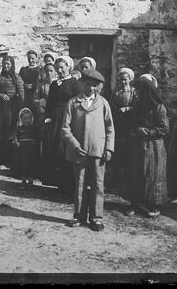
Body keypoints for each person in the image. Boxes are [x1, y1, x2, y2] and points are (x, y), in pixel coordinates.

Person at [62, 68, 114, 231]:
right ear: (82, 83)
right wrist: (75, 145)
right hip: (79, 151)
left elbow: (110, 127)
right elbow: (65, 128)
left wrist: (109, 149)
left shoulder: (103, 103)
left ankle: (96, 217)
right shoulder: (73, 103)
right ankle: (79, 216)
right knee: (80, 184)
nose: (91, 88)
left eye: (95, 86)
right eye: (88, 85)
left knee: (98, 184)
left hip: (98, 150)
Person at [126, 77, 170, 218]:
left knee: (153, 175)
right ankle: (135, 203)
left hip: (154, 146)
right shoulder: (138, 105)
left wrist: (149, 132)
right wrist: (137, 129)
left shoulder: (159, 107)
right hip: (138, 144)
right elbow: (132, 123)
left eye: (139, 90)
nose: (136, 93)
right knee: (136, 173)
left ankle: (154, 206)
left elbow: (164, 128)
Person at [41, 55, 82, 194]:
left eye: (62, 68)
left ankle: (68, 186)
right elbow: (50, 103)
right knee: (53, 148)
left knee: (65, 150)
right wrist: (47, 117)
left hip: (68, 118)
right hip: (54, 119)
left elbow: (78, 103)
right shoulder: (54, 83)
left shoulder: (74, 83)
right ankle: (55, 183)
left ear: (69, 67)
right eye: (57, 68)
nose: (59, 70)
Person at [0, 56, 25, 165]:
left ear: (12, 65)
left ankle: (8, 158)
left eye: (8, 64)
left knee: (9, 131)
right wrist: (0, 95)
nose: (6, 66)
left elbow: (21, 95)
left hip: (11, 109)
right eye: (4, 64)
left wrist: (20, 110)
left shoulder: (16, 78)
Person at [108, 67, 137, 194]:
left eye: (125, 80)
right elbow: (111, 104)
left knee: (127, 149)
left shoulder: (134, 92)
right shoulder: (116, 91)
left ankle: (126, 180)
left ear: (130, 79)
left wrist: (128, 109)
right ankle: (115, 180)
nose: (123, 82)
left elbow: (138, 106)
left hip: (129, 122)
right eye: (121, 80)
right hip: (118, 121)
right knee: (117, 149)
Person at [10, 108, 40, 188]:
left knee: (31, 164)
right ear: (21, 119)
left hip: (31, 149)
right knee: (23, 164)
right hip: (22, 149)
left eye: (29, 118)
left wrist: (36, 142)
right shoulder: (19, 128)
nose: (27, 120)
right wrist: (16, 142)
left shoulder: (34, 128)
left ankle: (30, 181)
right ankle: (23, 180)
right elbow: (15, 136)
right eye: (25, 118)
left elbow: (38, 137)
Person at [19, 50, 42, 115]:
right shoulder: (24, 70)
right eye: (29, 58)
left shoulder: (39, 69)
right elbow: (20, 81)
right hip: (26, 94)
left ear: (36, 58)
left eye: (33, 58)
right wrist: (24, 85)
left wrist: (34, 85)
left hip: (35, 93)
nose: (31, 60)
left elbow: (41, 82)